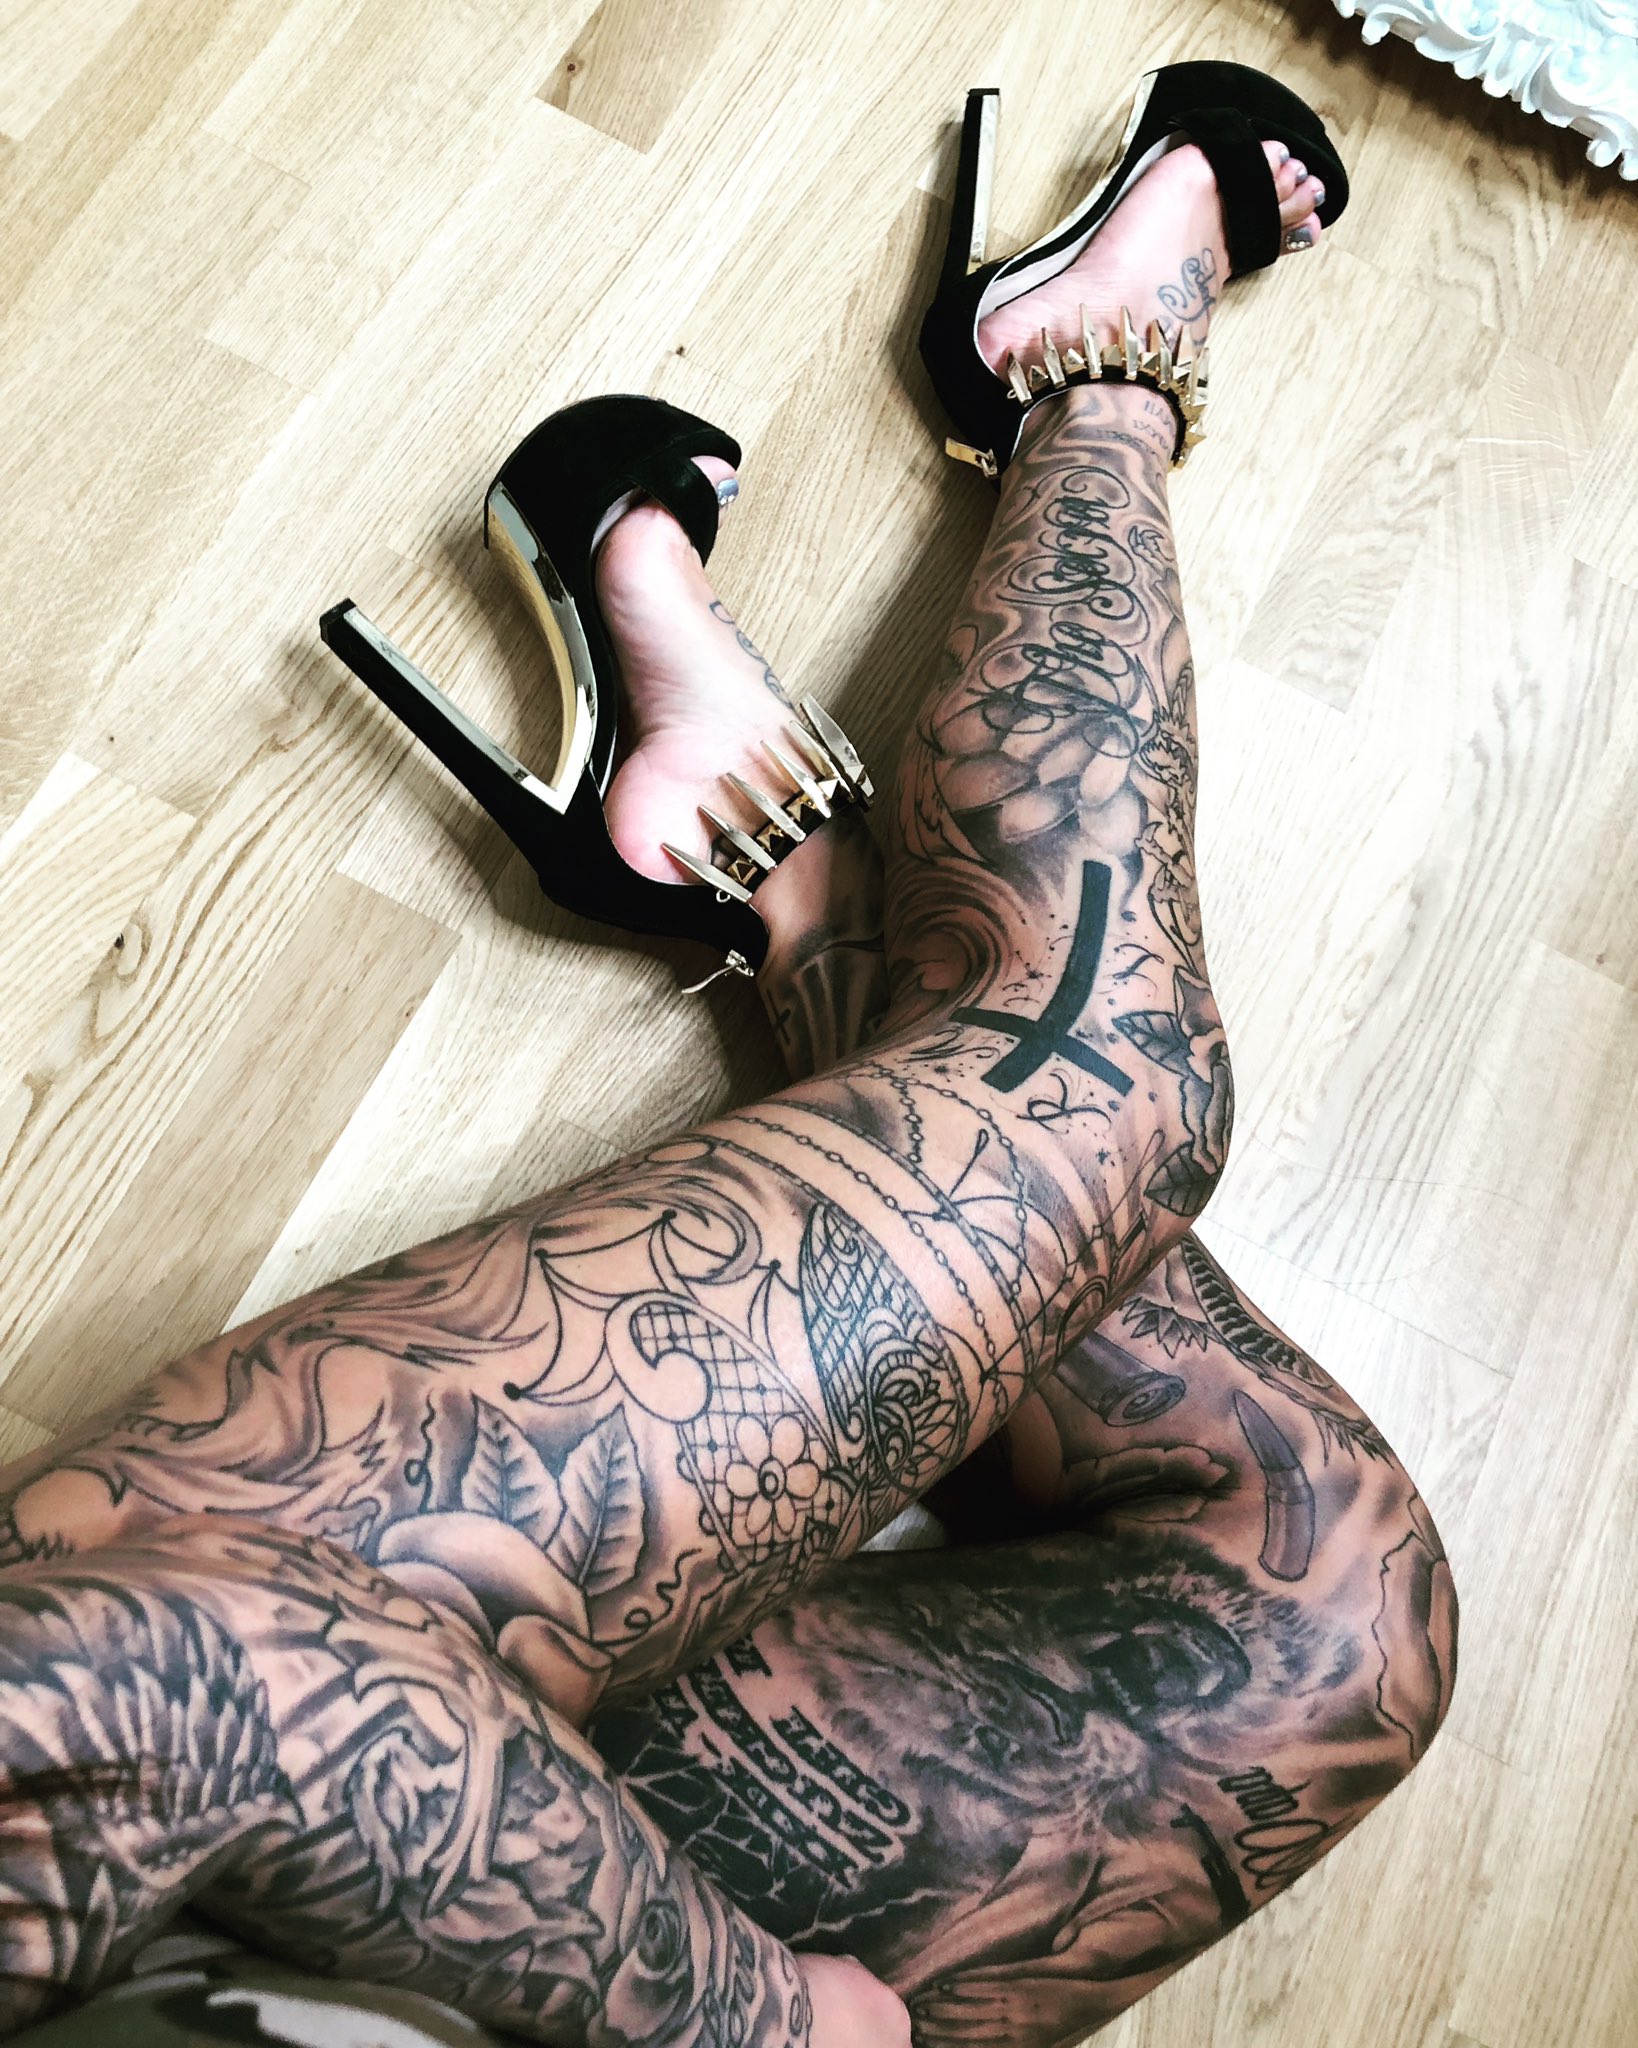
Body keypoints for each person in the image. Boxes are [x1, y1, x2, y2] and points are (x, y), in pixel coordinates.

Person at [0, 64, 1455, 2048]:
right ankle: (988, 502)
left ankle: (972, 554)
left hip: (238, 1778)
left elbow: (160, 1686)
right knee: (1342, 1613)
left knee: (1115, 1087)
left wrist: (744, 2020)